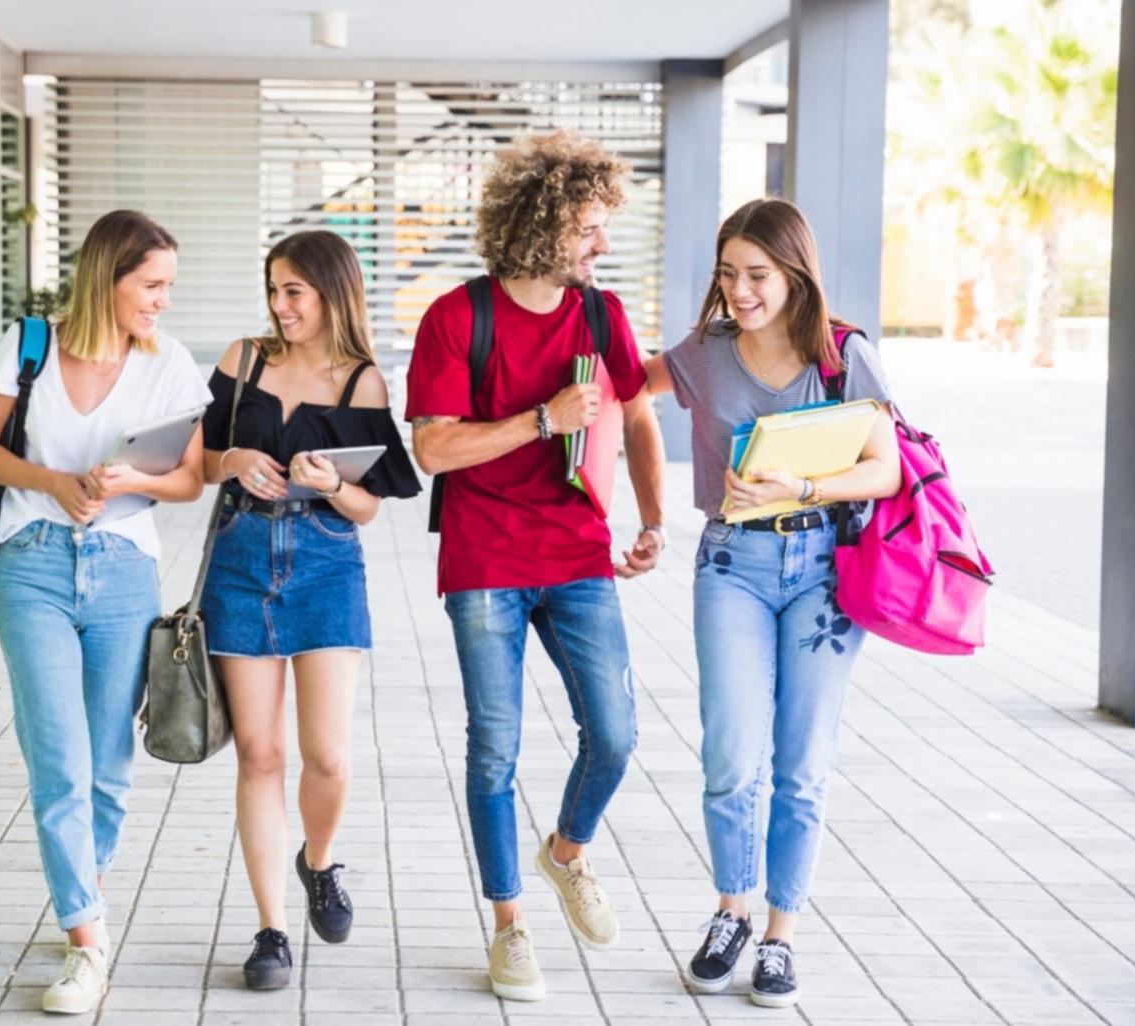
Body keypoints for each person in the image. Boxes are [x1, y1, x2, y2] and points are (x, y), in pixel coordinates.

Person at [404, 130, 666, 1002]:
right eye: (588, 226)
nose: (600, 243)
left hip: (577, 552)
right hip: (484, 559)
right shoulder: (456, 317)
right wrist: (540, 420)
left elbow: (633, 418)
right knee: (494, 751)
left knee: (617, 734)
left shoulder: (601, 315)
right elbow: (433, 451)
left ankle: (566, 854)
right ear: (540, 224)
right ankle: (509, 926)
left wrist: (654, 519)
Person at [642, 197, 901, 1008]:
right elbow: (617, 384)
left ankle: (781, 937)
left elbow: (885, 468)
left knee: (800, 763)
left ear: (794, 273)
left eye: (756, 274)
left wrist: (806, 485)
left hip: (823, 569)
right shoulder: (705, 352)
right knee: (730, 753)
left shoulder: (841, 354)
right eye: (727, 274)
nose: (740, 290)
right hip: (732, 564)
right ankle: (731, 911)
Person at [0, 209, 212, 1013]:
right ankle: (86, 941)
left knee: (107, 766)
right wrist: (52, 481)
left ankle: (82, 897)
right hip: (30, 565)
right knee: (59, 761)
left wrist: (130, 481)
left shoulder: (168, 362)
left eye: (169, 285)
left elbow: (189, 479)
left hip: (123, 572)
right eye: (152, 285)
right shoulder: (30, 343)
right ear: (109, 278)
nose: (164, 301)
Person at [200, 230, 419, 991]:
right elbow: (195, 460)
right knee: (259, 755)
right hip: (238, 559)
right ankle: (270, 930)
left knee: (328, 756)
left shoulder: (362, 383)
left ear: (331, 292)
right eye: (273, 289)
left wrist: (328, 483)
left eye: (294, 291)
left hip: (325, 566)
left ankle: (317, 862)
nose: (279, 305)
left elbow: (367, 508)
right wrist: (228, 461)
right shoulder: (243, 360)